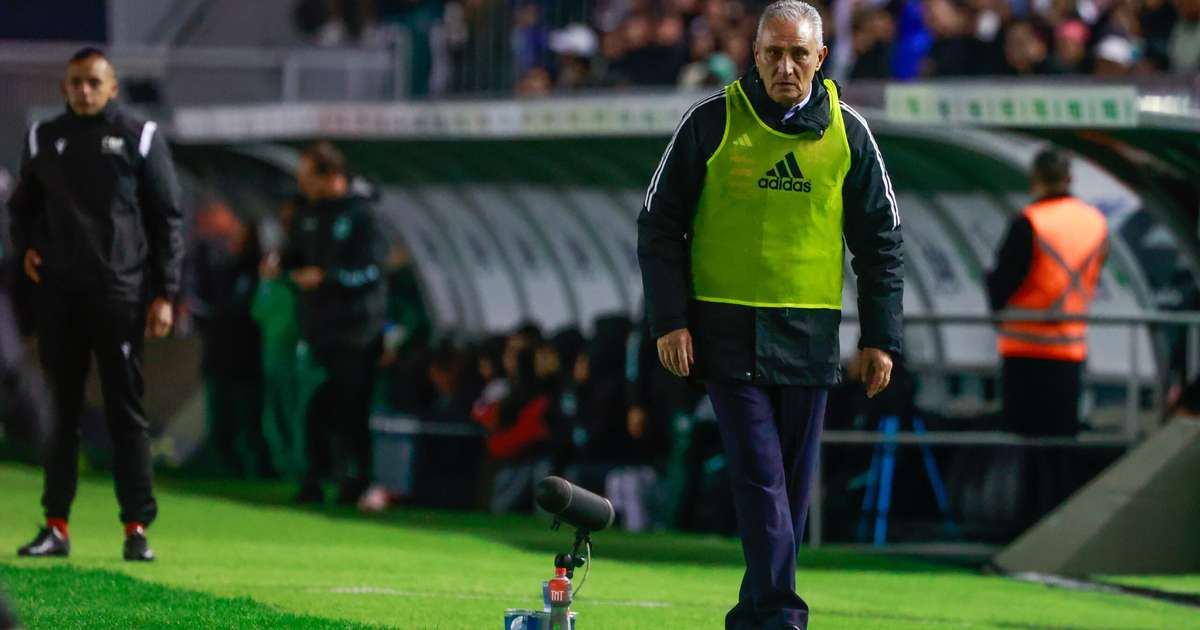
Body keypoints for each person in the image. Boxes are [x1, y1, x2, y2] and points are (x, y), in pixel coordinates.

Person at [637, 2, 904, 628]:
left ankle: (752, 614)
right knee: (760, 479)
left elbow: (881, 242)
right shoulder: (709, 122)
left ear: (821, 58)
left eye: (799, 55)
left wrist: (881, 337)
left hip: (810, 337)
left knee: (787, 489)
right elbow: (659, 226)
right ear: (753, 55)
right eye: (773, 54)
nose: (786, 66)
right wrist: (669, 320)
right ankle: (783, 615)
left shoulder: (850, 132)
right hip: (725, 336)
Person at [9, 47, 183, 562]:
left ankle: (136, 529)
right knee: (59, 413)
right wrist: (29, 247)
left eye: (93, 82)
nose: (84, 90)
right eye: (76, 82)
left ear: (112, 88)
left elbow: (167, 219)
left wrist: (166, 294)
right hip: (60, 298)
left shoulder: (140, 137)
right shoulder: (43, 137)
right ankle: (56, 526)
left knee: (125, 413)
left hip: (121, 296)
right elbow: (21, 210)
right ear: (64, 87)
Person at [280, 142, 388, 505]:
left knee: (349, 407)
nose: (302, 186)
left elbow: (372, 271)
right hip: (317, 329)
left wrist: (327, 278)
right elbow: (292, 258)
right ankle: (314, 479)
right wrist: (279, 267)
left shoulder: (364, 216)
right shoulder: (307, 216)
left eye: (307, 177)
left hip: (357, 331)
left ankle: (357, 481)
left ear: (331, 176)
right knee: (314, 407)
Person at [988, 148, 1107, 438]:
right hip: (1071, 348)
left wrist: (998, 313)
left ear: (1036, 179)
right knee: (1062, 440)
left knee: (1024, 442)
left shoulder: (1029, 221)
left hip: (1024, 351)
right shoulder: (1096, 222)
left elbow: (1003, 279)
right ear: (1070, 178)